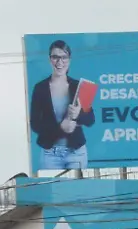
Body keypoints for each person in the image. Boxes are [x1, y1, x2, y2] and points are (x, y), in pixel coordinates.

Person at [29, 39, 95, 170]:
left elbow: (91, 119)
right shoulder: (40, 88)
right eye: (55, 57)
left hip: (76, 152)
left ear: (69, 60)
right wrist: (61, 128)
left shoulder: (79, 86)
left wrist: (78, 115)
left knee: (77, 190)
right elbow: (35, 124)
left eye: (64, 57)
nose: (60, 62)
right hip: (50, 154)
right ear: (49, 59)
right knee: (52, 190)